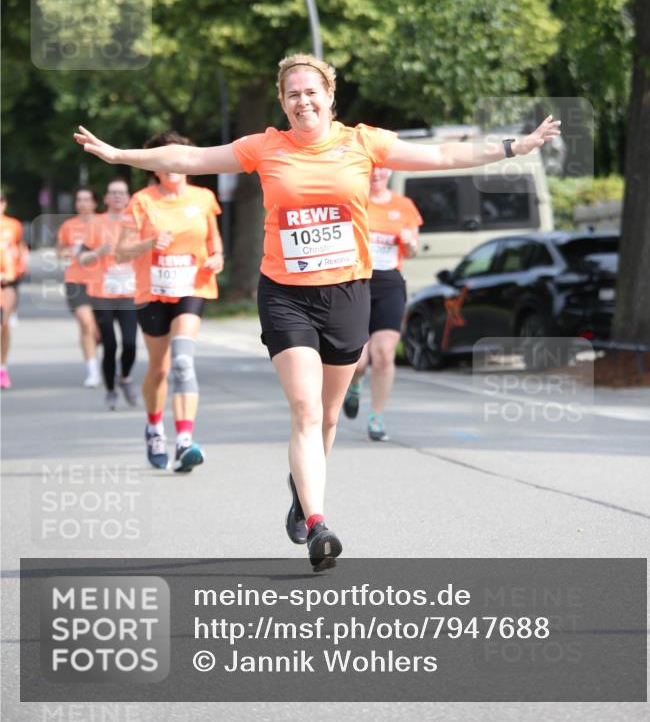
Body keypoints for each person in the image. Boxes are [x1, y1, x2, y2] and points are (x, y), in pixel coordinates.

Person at [74, 53, 560, 571]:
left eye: (311, 92)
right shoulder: (264, 147)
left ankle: (300, 489)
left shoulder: (362, 142)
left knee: (329, 415)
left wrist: (515, 146)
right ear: (282, 103)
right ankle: (317, 525)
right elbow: (190, 160)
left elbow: (441, 154)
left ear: (330, 97)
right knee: (305, 411)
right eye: (292, 95)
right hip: (285, 293)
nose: (302, 101)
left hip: (350, 291)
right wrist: (120, 154)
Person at [114, 132, 223, 473]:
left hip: (193, 287)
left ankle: (185, 441)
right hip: (153, 292)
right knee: (159, 369)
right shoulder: (142, 201)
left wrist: (217, 259)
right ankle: (154, 428)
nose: (174, 165)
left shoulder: (204, 198)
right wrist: (148, 243)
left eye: (180, 157)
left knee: (182, 362)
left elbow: (215, 243)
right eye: (166, 159)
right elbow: (121, 251)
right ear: (156, 167)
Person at [343, 166, 423, 441]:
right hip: (357, 282)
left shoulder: (403, 206)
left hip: (390, 283)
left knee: (385, 354)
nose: (377, 174)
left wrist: (409, 242)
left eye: (382, 170)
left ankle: (376, 416)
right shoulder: (356, 199)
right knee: (358, 361)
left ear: (389, 172)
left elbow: (412, 250)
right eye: (372, 170)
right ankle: (354, 385)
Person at [78, 178, 139, 411]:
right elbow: (81, 259)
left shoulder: (137, 222)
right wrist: (99, 252)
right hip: (102, 293)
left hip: (130, 292)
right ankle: (111, 390)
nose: (117, 197)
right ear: (105, 198)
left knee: (131, 343)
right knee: (110, 344)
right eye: (112, 193)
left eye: (121, 193)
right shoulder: (95, 224)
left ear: (128, 198)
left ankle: (124, 377)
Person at [56, 187, 101, 387]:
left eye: (87, 199)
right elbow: (59, 251)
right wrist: (67, 252)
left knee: (100, 329)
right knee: (85, 323)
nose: (83, 203)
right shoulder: (68, 225)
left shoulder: (104, 223)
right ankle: (92, 370)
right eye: (79, 200)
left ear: (95, 203)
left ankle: (104, 357)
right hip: (75, 280)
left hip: (102, 282)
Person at [0, 190, 29, 389]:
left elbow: (20, 248)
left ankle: (2, 367)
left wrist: (20, 267)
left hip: (8, 280)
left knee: (3, 324)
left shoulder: (13, 225)